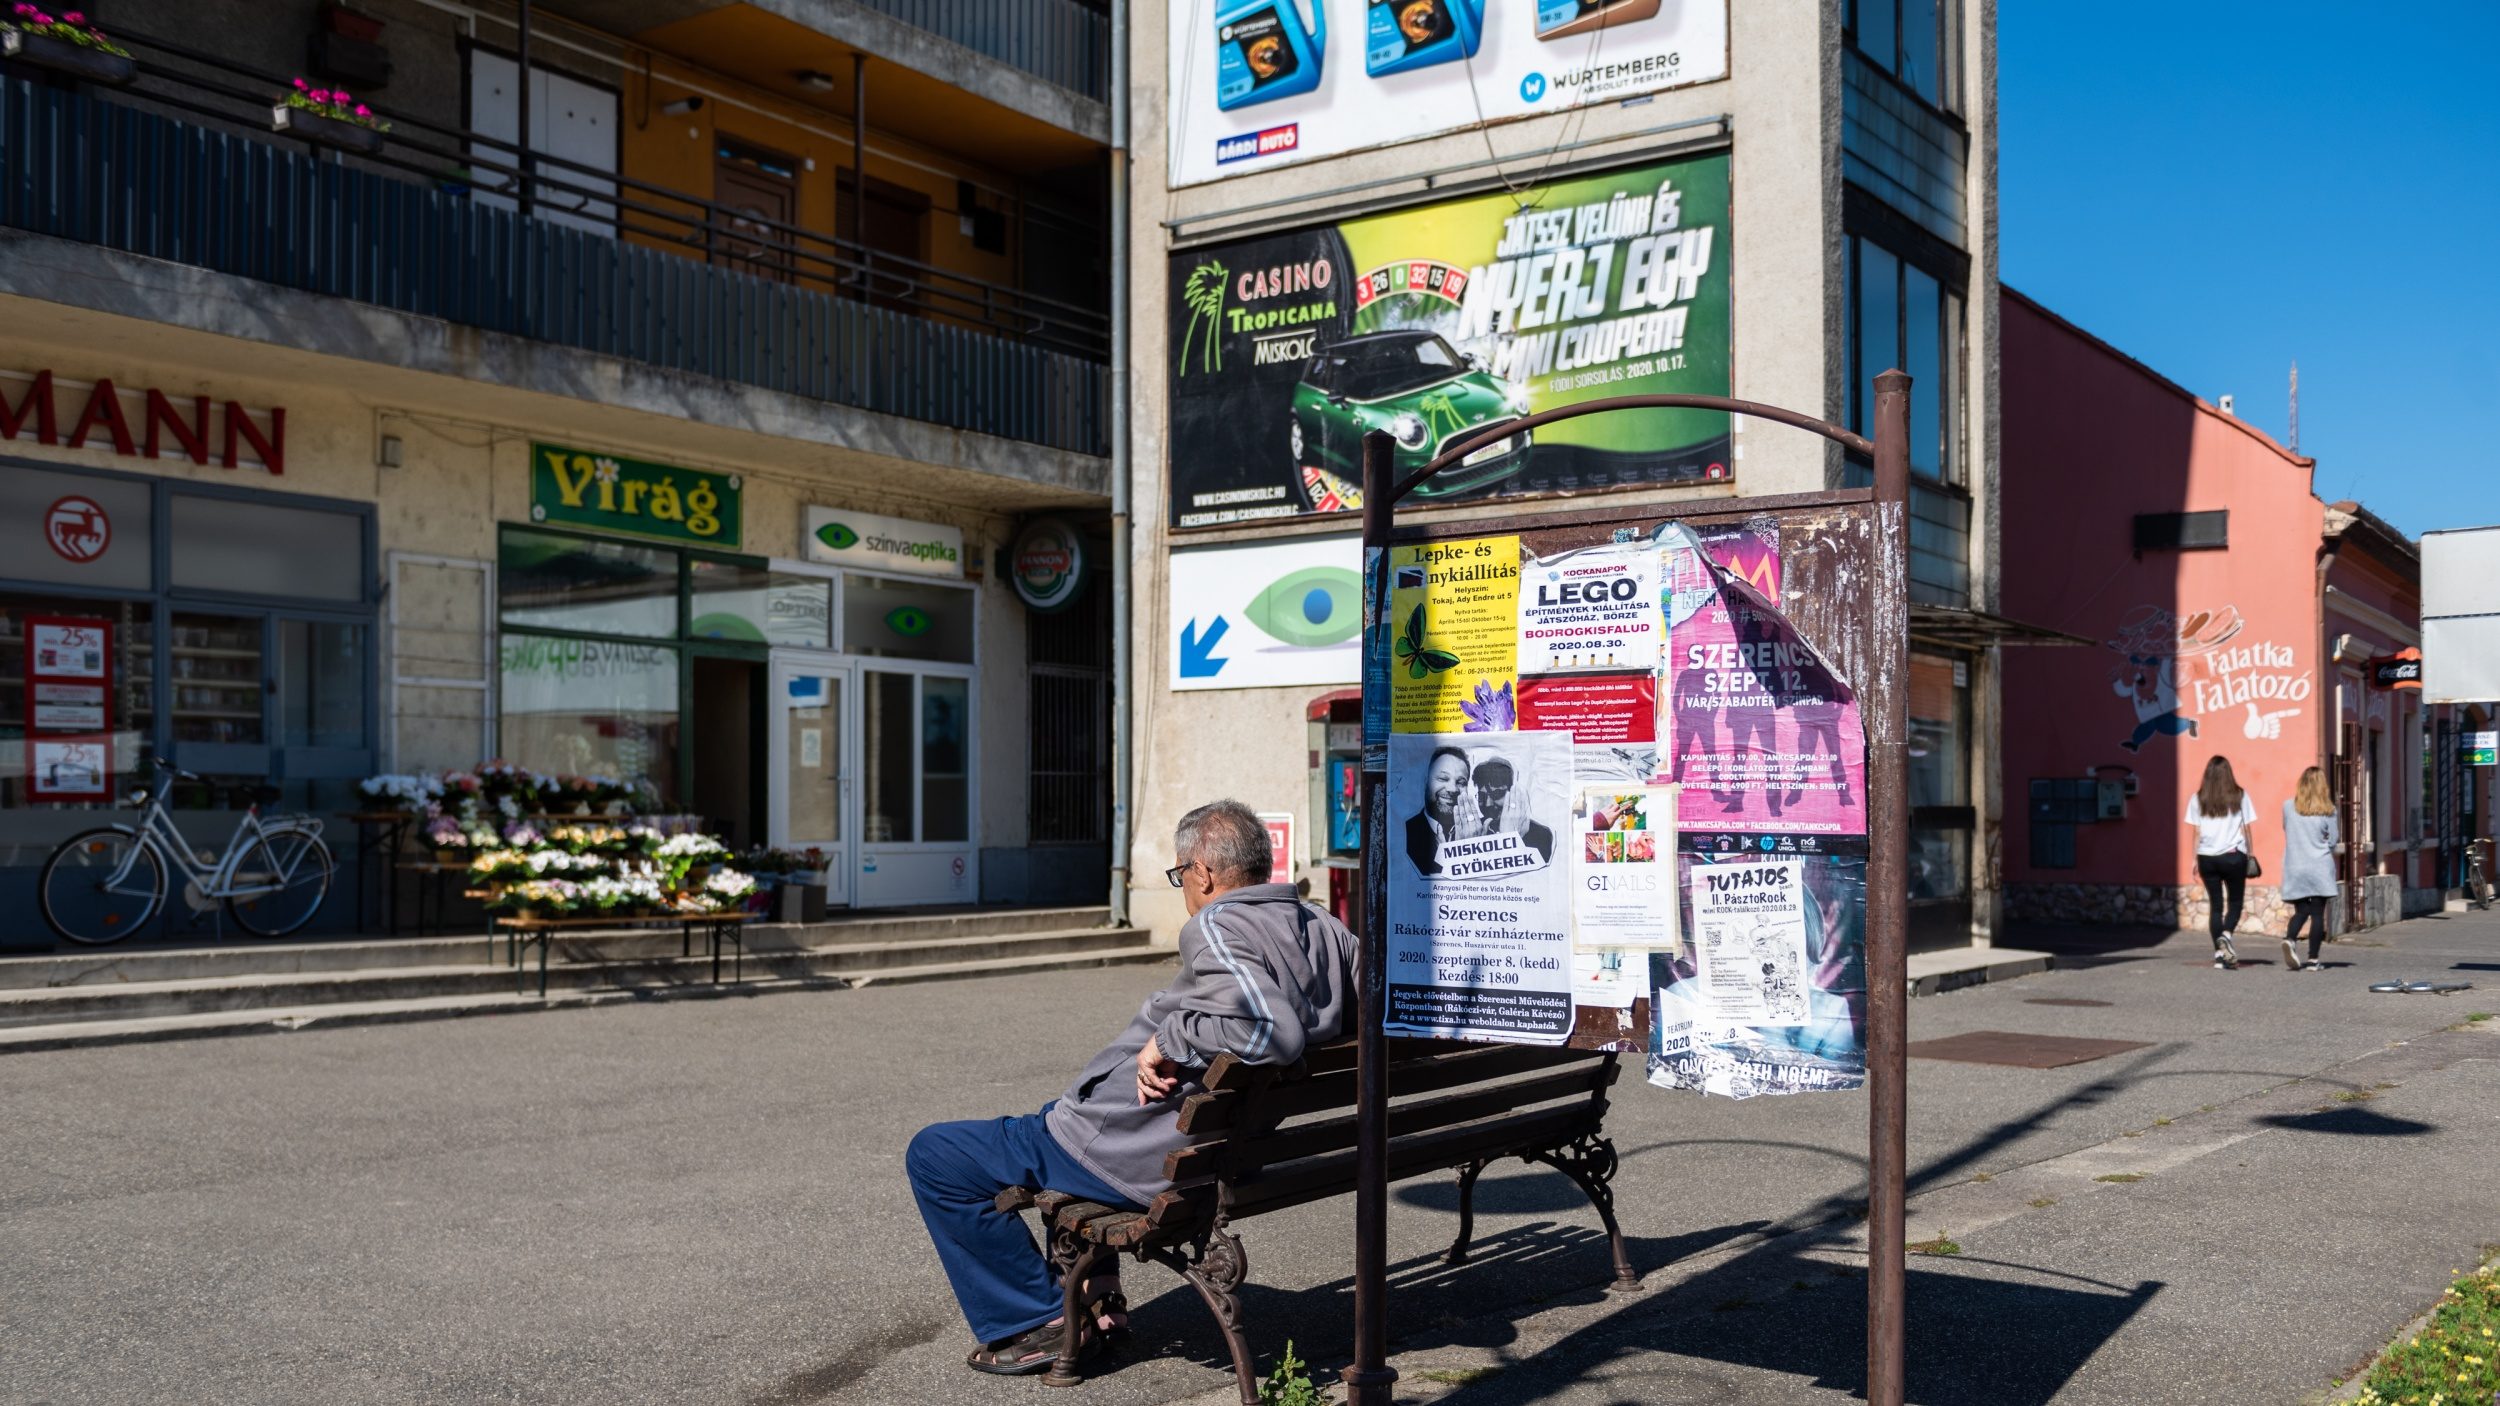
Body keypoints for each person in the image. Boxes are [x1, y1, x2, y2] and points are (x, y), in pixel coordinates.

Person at [905, 800, 1357, 1377]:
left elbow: (1272, 1032)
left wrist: (1174, 1036)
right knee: (1044, 1121)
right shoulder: (1321, 925)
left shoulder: (1218, 924)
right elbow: (1365, 1011)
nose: (1184, 890)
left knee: (937, 1155)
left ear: (1204, 873)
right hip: (1209, 1150)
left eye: (1180, 876)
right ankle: (1100, 1297)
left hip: (1138, 1156)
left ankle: (1041, 1322)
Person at [2185, 755, 2259, 968]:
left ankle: (2219, 955)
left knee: (2216, 906)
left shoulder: (2197, 798)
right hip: (2233, 856)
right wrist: (2251, 854)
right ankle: (2226, 935)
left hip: (2207, 857)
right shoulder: (2240, 795)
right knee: (2235, 902)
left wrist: (2193, 859)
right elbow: (2246, 828)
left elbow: (2196, 831)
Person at [2279, 765, 2340, 972]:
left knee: (2301, 909)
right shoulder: (2329, 810)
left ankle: (2290, 939)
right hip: (2319, 867)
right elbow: (2333, 841)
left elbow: (2286, 828)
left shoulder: (2288, 806)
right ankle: (2313, 960)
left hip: (2295, 865)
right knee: (2317, 914)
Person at [1472, 755, 1554, 863]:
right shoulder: (1471, 832)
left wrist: (1511, 841)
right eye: (1482, 796)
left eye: (1496, 794)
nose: (1487, 804)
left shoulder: (1541, 835)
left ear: (1513, 793)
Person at [1404, 745, 1472, 875]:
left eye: (1461, 782)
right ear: (1425, 782)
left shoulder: (1477, 834)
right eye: (1443, 778)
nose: (1452, 789)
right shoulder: (1404, 832)